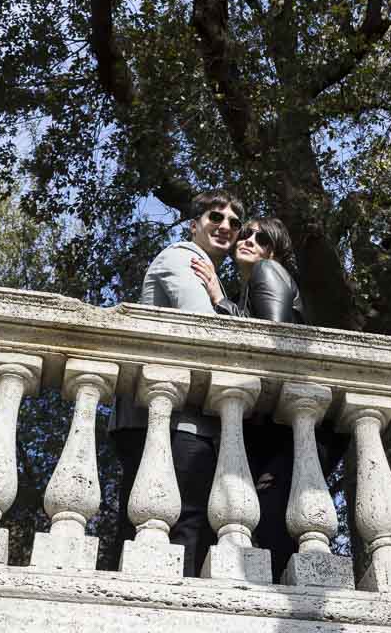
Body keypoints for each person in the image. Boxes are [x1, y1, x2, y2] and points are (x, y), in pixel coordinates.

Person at [109, 189, 244, 577]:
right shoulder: (183, 257)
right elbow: (203, 329)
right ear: (194, 225)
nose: (226, 227)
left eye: (234, 223)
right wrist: (221, 302)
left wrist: (221, 294)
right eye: (216, 218)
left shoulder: (209, 272)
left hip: (179, 418)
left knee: (172, 520)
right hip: (166, 419)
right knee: (172, 521)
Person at [191, 216, 303, 580]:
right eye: (247, 233)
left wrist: (219, 299)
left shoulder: (267, 271)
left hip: (281, 431)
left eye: (263, 238)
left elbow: (273, 341)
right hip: (269, 430)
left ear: (274, 251)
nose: (249, 240)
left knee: (273, 532)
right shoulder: (250, 286)